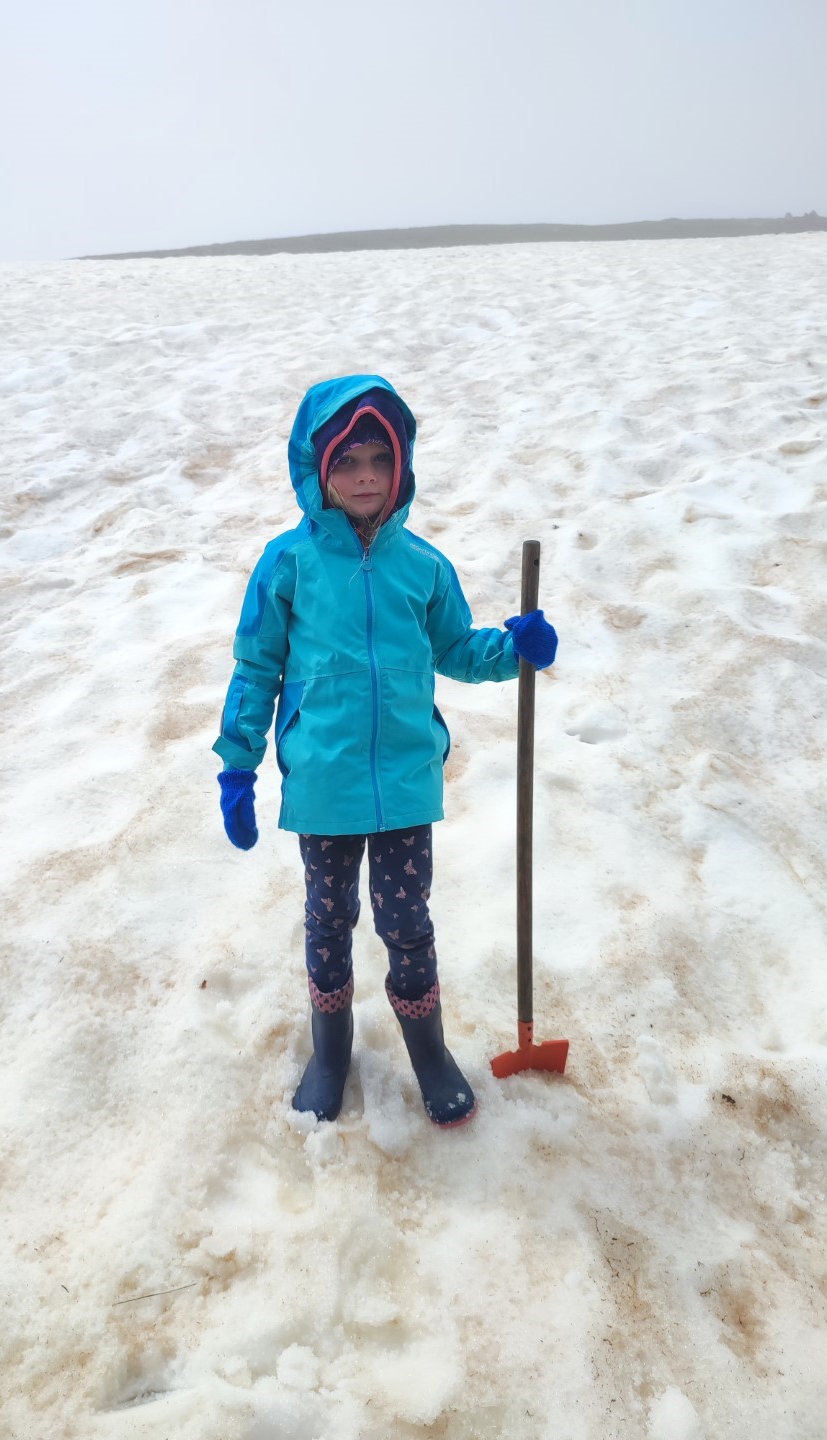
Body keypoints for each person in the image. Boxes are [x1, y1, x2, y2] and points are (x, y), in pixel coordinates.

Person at [212, 375, 557, 1128]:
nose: (366, 476)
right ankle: (330, 1052)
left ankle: (428, 1052)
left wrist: (516, 650)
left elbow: (458, 649)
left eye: (379, 458)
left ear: (399, 468)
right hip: (325, 785)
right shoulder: (288, 564)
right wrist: (237, 765)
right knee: (328, 920)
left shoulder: (423, 566)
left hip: (403, 779)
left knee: (407, 921)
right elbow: (255, 667)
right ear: (318, 471)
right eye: (347, 462)